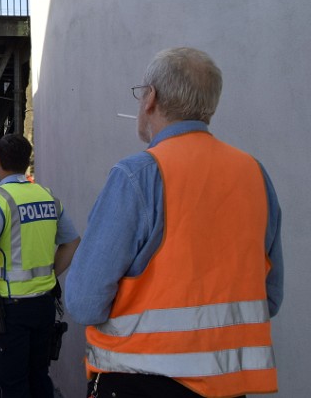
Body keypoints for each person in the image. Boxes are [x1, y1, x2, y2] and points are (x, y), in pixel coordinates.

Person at [65, 47, 284, 398]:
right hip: (228, 387)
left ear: (150, 98)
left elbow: (84, 302)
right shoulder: (254, 174)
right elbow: (269, 298)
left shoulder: (137, 175)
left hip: (139, 380)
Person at [0, 133, 80, 398]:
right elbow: (72, 242)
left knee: (9, 382)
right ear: (27, 162)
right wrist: (50, 275)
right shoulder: (47, 196)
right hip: (43, 304)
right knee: (38, 376)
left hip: (9, 309)